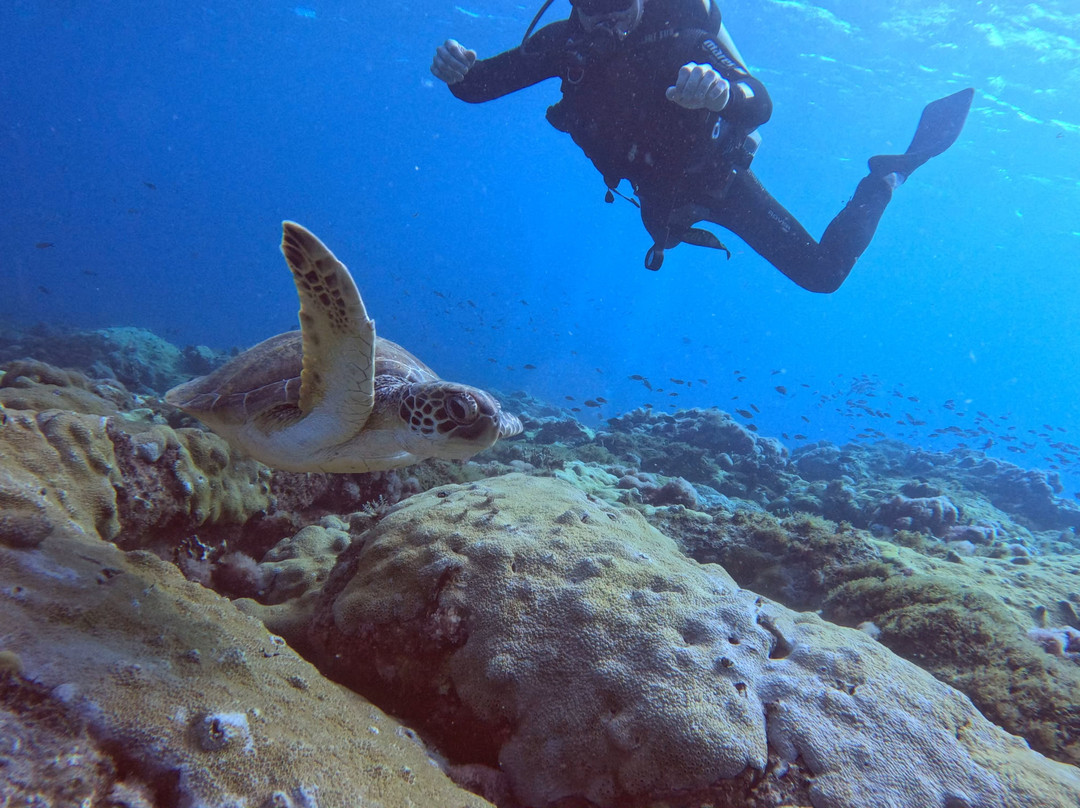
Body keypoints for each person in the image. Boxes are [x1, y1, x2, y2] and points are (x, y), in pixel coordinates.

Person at [431, 0, 973, 292]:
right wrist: (457, 72)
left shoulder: (684, 32)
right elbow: (480, 86)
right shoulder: (563, 45)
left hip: (721, 183)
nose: (608, 15)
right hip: (656, 194)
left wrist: (721, 93)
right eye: (590, 2)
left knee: (823, 276)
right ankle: (671, 223)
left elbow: (758, 101)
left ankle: (885, 178)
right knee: (663, 230)